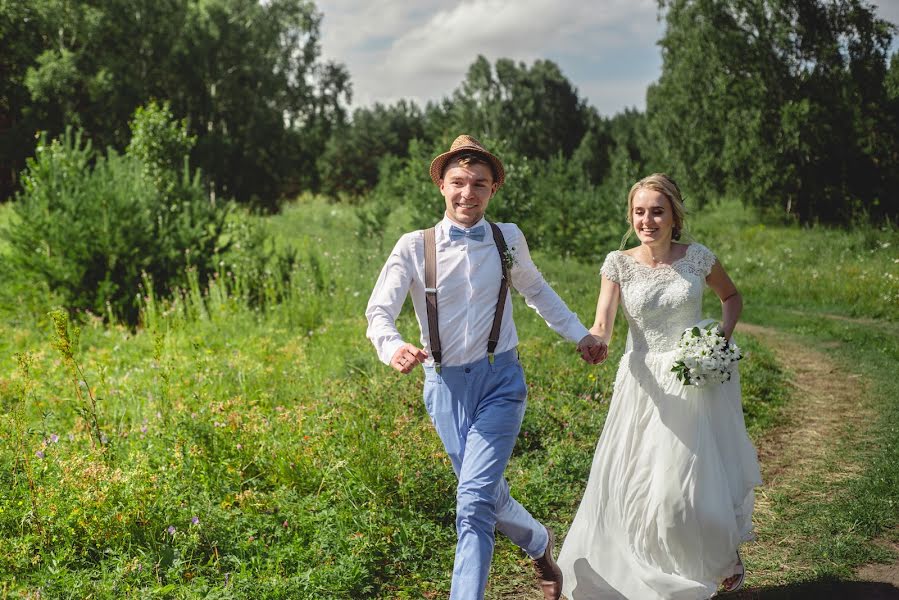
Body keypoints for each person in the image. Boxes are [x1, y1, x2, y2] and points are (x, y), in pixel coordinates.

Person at [365, 135, 603, 600]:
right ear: (440, 185)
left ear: (493, 189)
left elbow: (536, 291)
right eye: (457, 182)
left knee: (472, 501)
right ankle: (538, 540)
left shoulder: (507, 239)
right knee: (484, 492)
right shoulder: (414, 247)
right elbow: (379, 312)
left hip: (501, 382)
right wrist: (392, 346)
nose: (466, 194)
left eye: (478, 184)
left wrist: (580, 334)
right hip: (444, 387)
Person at [557, 173, 762, 599]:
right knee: (636, 484)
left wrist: (718, 339)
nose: (646, 220)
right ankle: (648, 572)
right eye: (639, 212)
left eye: (656, 211)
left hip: (692, 382)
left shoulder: (698, 257)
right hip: (643, 384)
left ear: (673, 216)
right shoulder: (618, 263)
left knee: (686, 486)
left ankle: (717, 557)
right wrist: (594, 342)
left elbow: (732, 298)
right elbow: (603, 325)